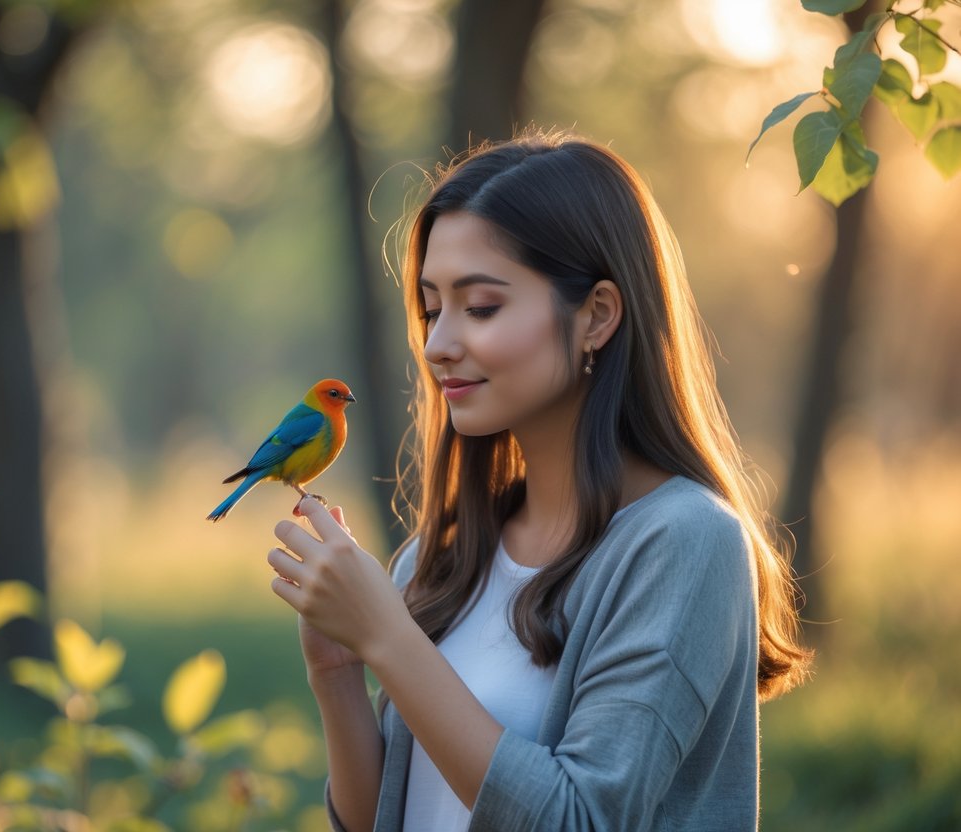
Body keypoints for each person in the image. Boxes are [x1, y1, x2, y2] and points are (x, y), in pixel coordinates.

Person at [266, 130, 813, 832]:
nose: (437, 343)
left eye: (481, 306)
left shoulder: (684, 542)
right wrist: (339, 672)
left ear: (597, 315)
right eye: (432, 308)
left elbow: (582, 818)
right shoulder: (439, 559)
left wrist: (389, 642)